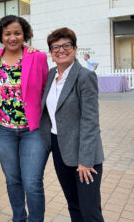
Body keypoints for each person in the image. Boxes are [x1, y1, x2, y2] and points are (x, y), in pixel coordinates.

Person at [40, 27, 105, 222]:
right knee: (74, 205)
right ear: (50, 53)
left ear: (75, 48)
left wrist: (85, 160)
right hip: (59, 149)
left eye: (66, 45)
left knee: (90, 210)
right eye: (55, 47)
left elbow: (90, 121)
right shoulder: (51, 75)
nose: (61, 50)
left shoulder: (85, 77)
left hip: (84, 153)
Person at [0, 15, 49, 222]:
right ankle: (18, 218)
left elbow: (46, 90)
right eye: (7, 33)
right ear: (0, 36)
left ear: (25, 35)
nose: (12, 37)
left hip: (32, 131)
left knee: (32, 182)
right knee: (13, 180)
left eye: (17, 33)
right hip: (2, 130)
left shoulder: (37, 57)